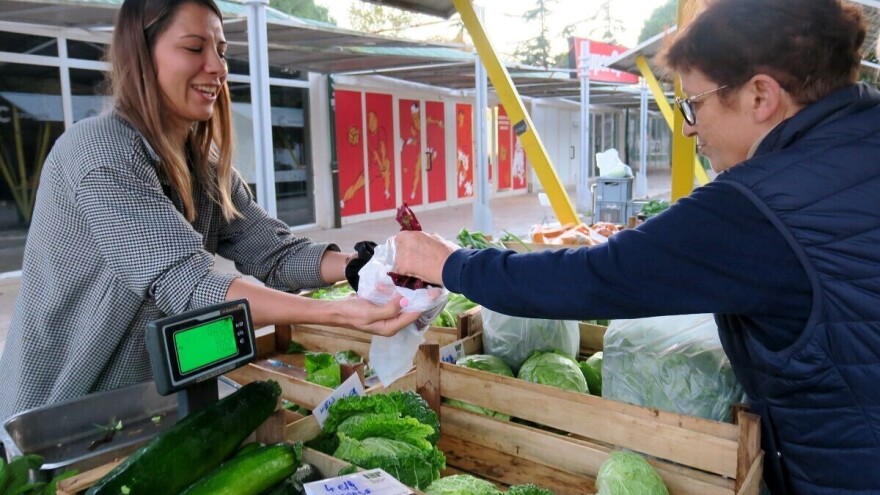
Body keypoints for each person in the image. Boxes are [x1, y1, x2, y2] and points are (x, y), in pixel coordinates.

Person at [392, 1, 880, 493]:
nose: (688, 127)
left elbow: (596, 276)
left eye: (694, 102)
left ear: (760, 96)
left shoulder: (760, 205)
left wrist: (451, 263)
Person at [0, 0, 419, 421]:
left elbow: (272, 251)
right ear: (141, 56)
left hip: (145, 407)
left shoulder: (204, 164)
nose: (217, 68)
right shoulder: (100, 152)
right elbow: (188, 282)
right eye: (194, 48)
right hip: (55, 415)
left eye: (220, 50)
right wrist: (338, 311)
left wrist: (362, 267)